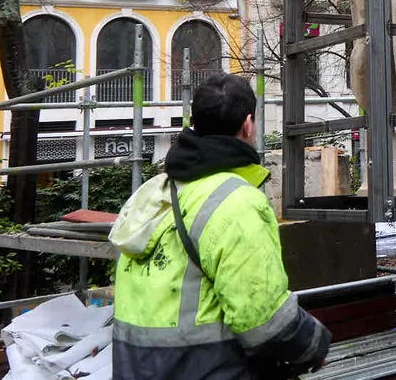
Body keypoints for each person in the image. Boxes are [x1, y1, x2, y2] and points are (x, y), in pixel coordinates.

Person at [110, 73, 330, 379]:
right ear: (249, 124)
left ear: (195, 124)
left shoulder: (153, 192)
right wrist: (314, 346)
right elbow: (262, 319)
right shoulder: (236, 203)